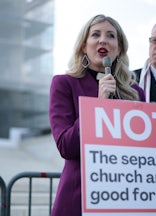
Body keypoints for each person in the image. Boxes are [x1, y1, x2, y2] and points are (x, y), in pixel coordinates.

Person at [48, 14, 145, 216]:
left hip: (123, 198)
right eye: (95, 34)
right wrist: (97, 106)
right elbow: (66, 146)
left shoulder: (136, 93)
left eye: (111, 36)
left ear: (119, 49)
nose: (103, 40)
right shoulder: (64, 84)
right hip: (78, 198)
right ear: (84, 46)